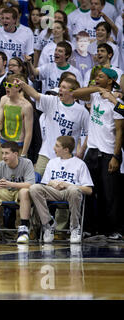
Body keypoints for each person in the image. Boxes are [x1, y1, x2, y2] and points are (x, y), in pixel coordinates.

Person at [72, 67, 124, 239]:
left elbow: (120, 131)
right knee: (88, 191)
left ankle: (113, 229)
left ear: (110, 80)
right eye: (96, 76)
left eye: (100, 77)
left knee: (110, 194)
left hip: (109, 151)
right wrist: (97, 88)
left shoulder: (117, 99)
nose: (96, 78)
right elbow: (75, 94)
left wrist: (116, 156)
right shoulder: (94, 95)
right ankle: (88, 227)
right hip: (92, 150)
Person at [29, 135, 94, 244]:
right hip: (53, 192)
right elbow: (44, 183)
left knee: (74, 190)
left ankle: (74, 227)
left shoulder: (80, 164)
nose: (54, 148)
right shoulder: (52, 162)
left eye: (57, 146)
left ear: (66, 150)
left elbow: (89, 190)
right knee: (34, 188)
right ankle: (48, 223)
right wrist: (52, 183)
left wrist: (67, 185)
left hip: (70, 193)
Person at [0, 74, 33, 166]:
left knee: (14, 179)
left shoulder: (26, 106)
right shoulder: (3, 99)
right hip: (2, 145)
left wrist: (23, 154)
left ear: (19, 87)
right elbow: (0, 121)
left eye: (10, 85)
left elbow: (28, 133)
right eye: (6, 84)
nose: (7, 87)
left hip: (17, 148)